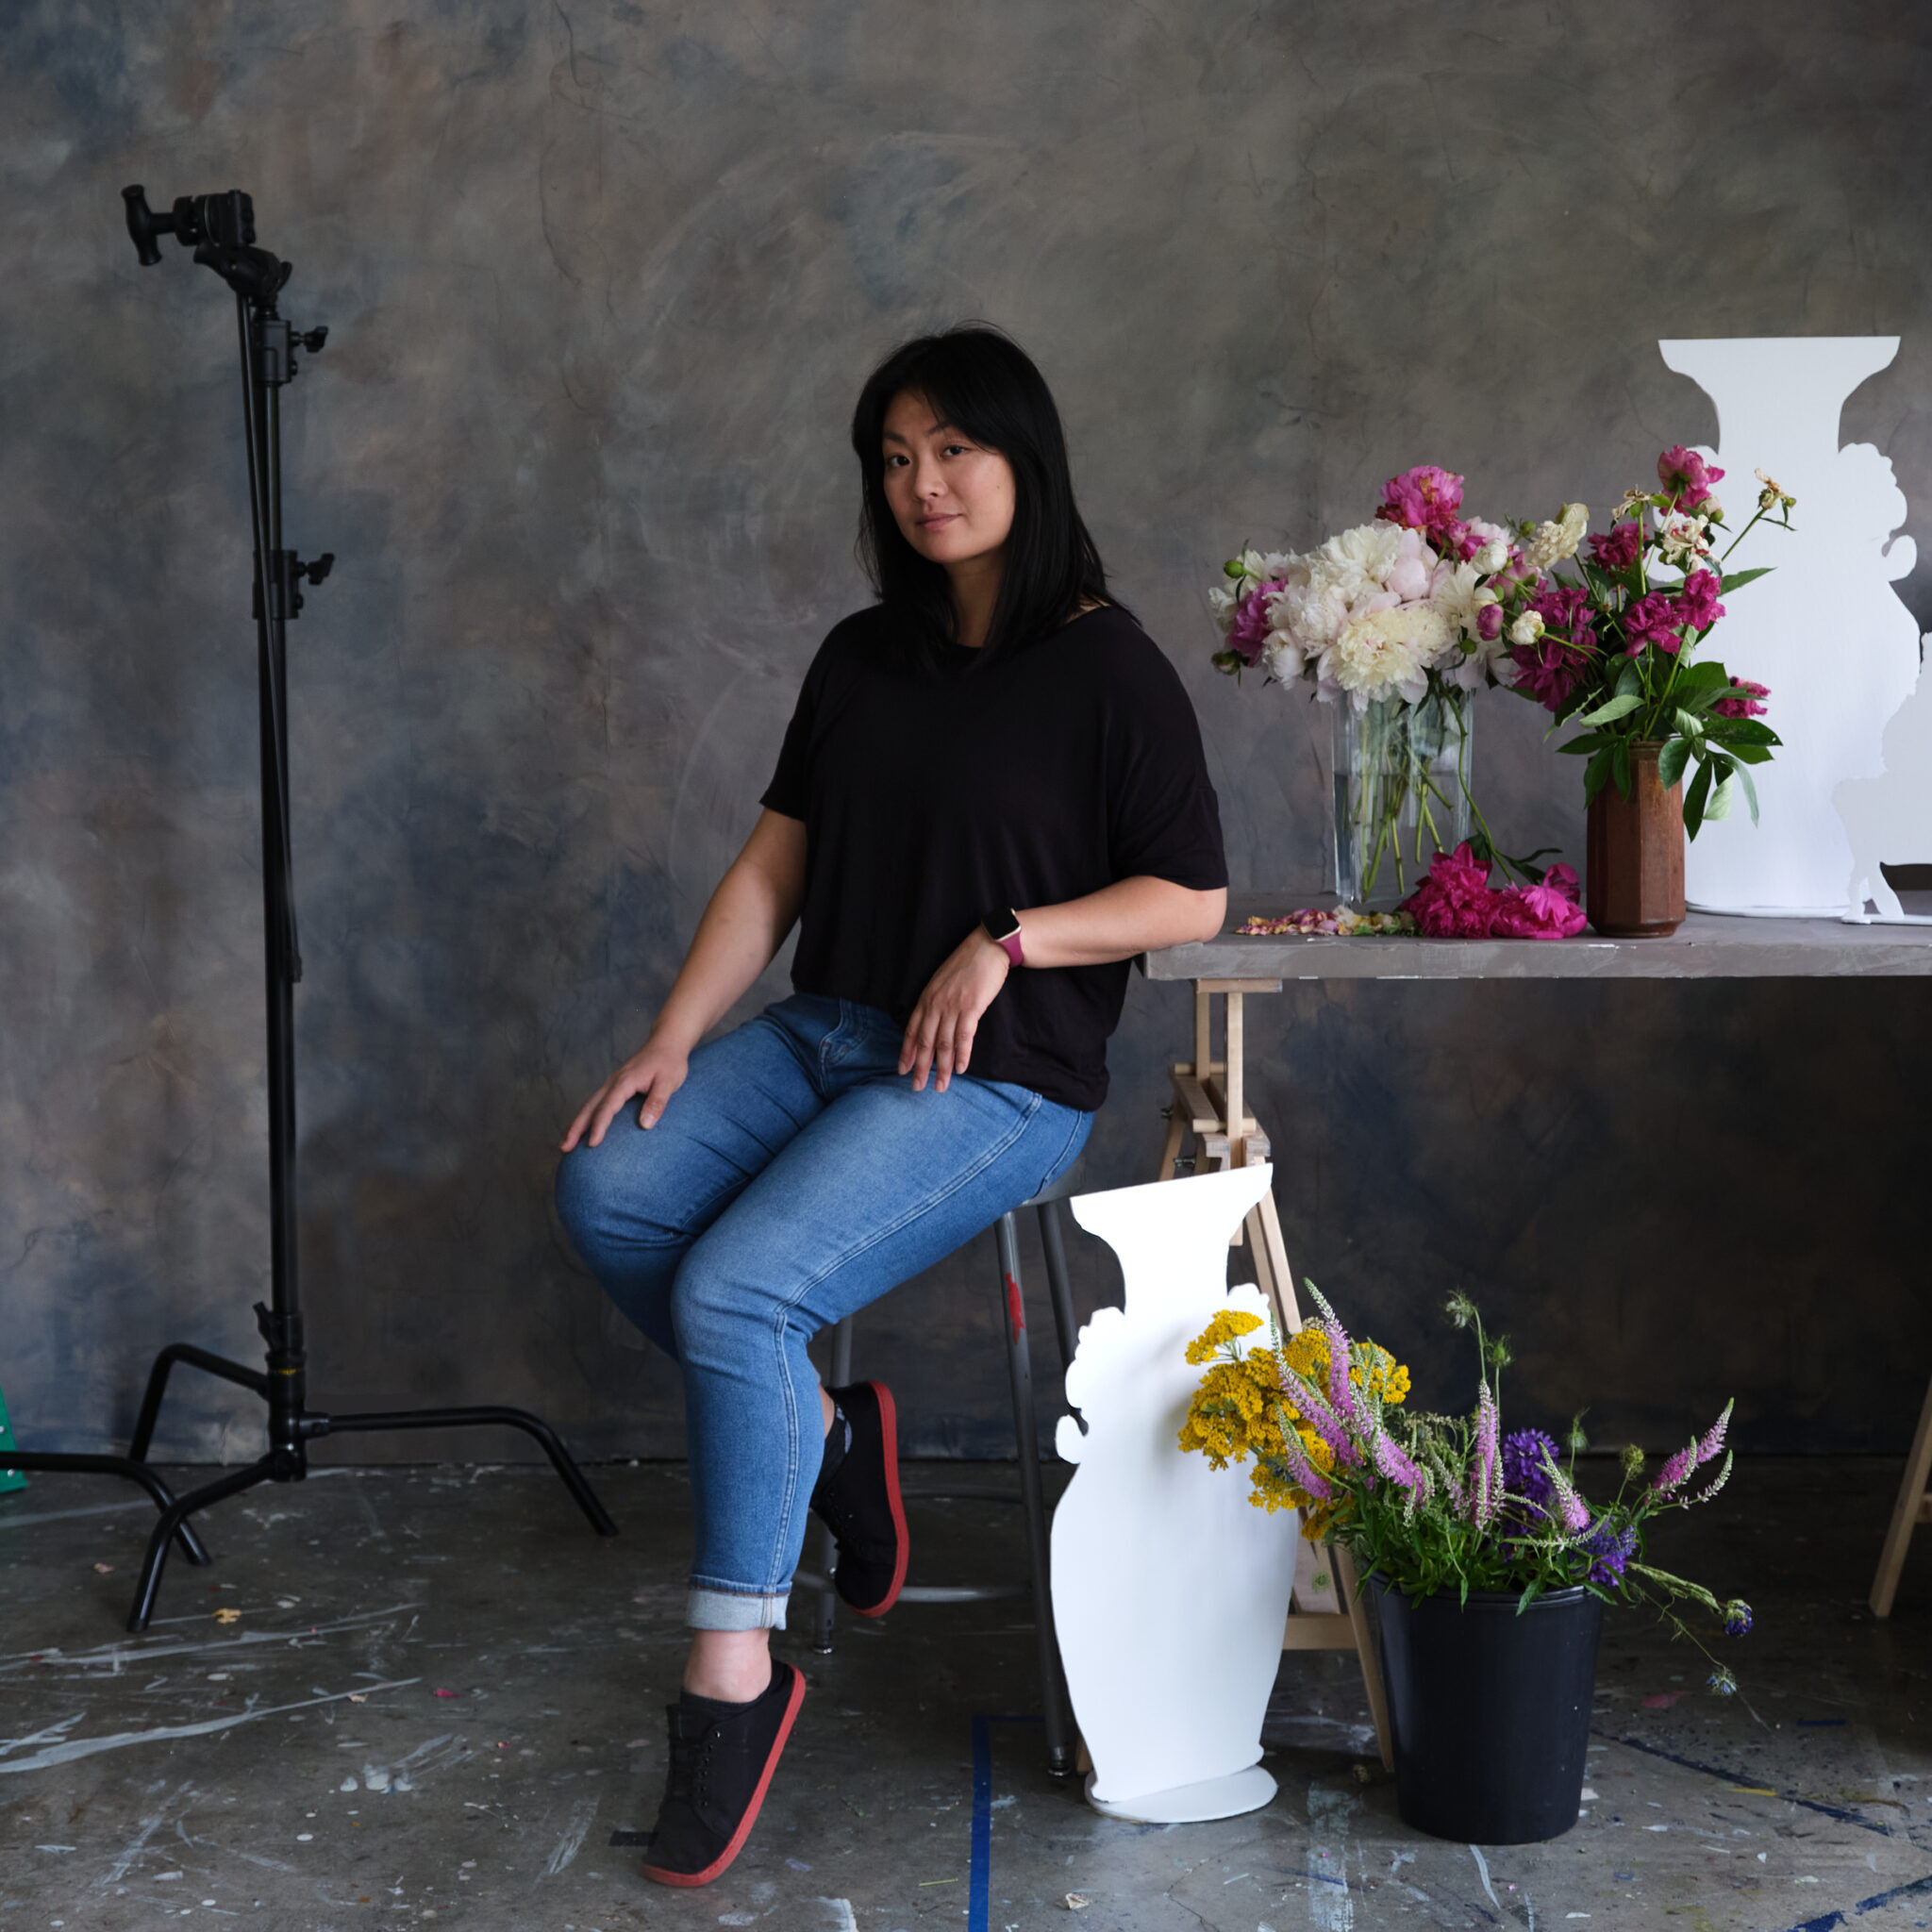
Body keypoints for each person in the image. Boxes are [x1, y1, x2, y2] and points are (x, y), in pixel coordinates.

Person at [554, 325, 1228, 1888]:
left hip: (999, 1079)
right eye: (896, 458)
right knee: (607, 1191)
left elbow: (1187, 895)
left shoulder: (1109, 668)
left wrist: (1013, 940)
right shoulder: (865, 654)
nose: (925, 484)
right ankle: (834, 1444)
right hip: (825, 1030)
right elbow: (775, 863)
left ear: (1024, 461)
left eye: (955, 451)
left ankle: (735, 1672)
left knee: (736, 1289)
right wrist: (672, 1037)